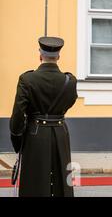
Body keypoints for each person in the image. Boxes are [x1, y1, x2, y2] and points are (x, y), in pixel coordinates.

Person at [10, 36, 78, 197]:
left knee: (35, 181)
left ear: (40, 55)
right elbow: (70, 101)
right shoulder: (70, 81)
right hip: (61, 132)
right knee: (63, 177)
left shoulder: (27, 79)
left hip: (35, 134)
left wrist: (17, 140)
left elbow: (18, 115)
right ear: (59, 56)